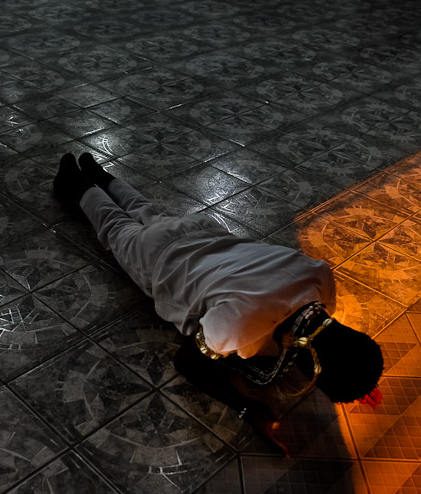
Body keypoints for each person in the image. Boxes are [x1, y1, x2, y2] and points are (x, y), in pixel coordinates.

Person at [53, 153, 383, 455]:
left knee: (146, 210)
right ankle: (76, 180)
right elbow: (187, 362)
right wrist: (245, 408)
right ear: (308, 366)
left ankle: (100, 173)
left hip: (201, 230)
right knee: (114, 226)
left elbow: (331, 343)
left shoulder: (320, 279)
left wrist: (355, 372)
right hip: (158, 259)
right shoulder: (239, 329)